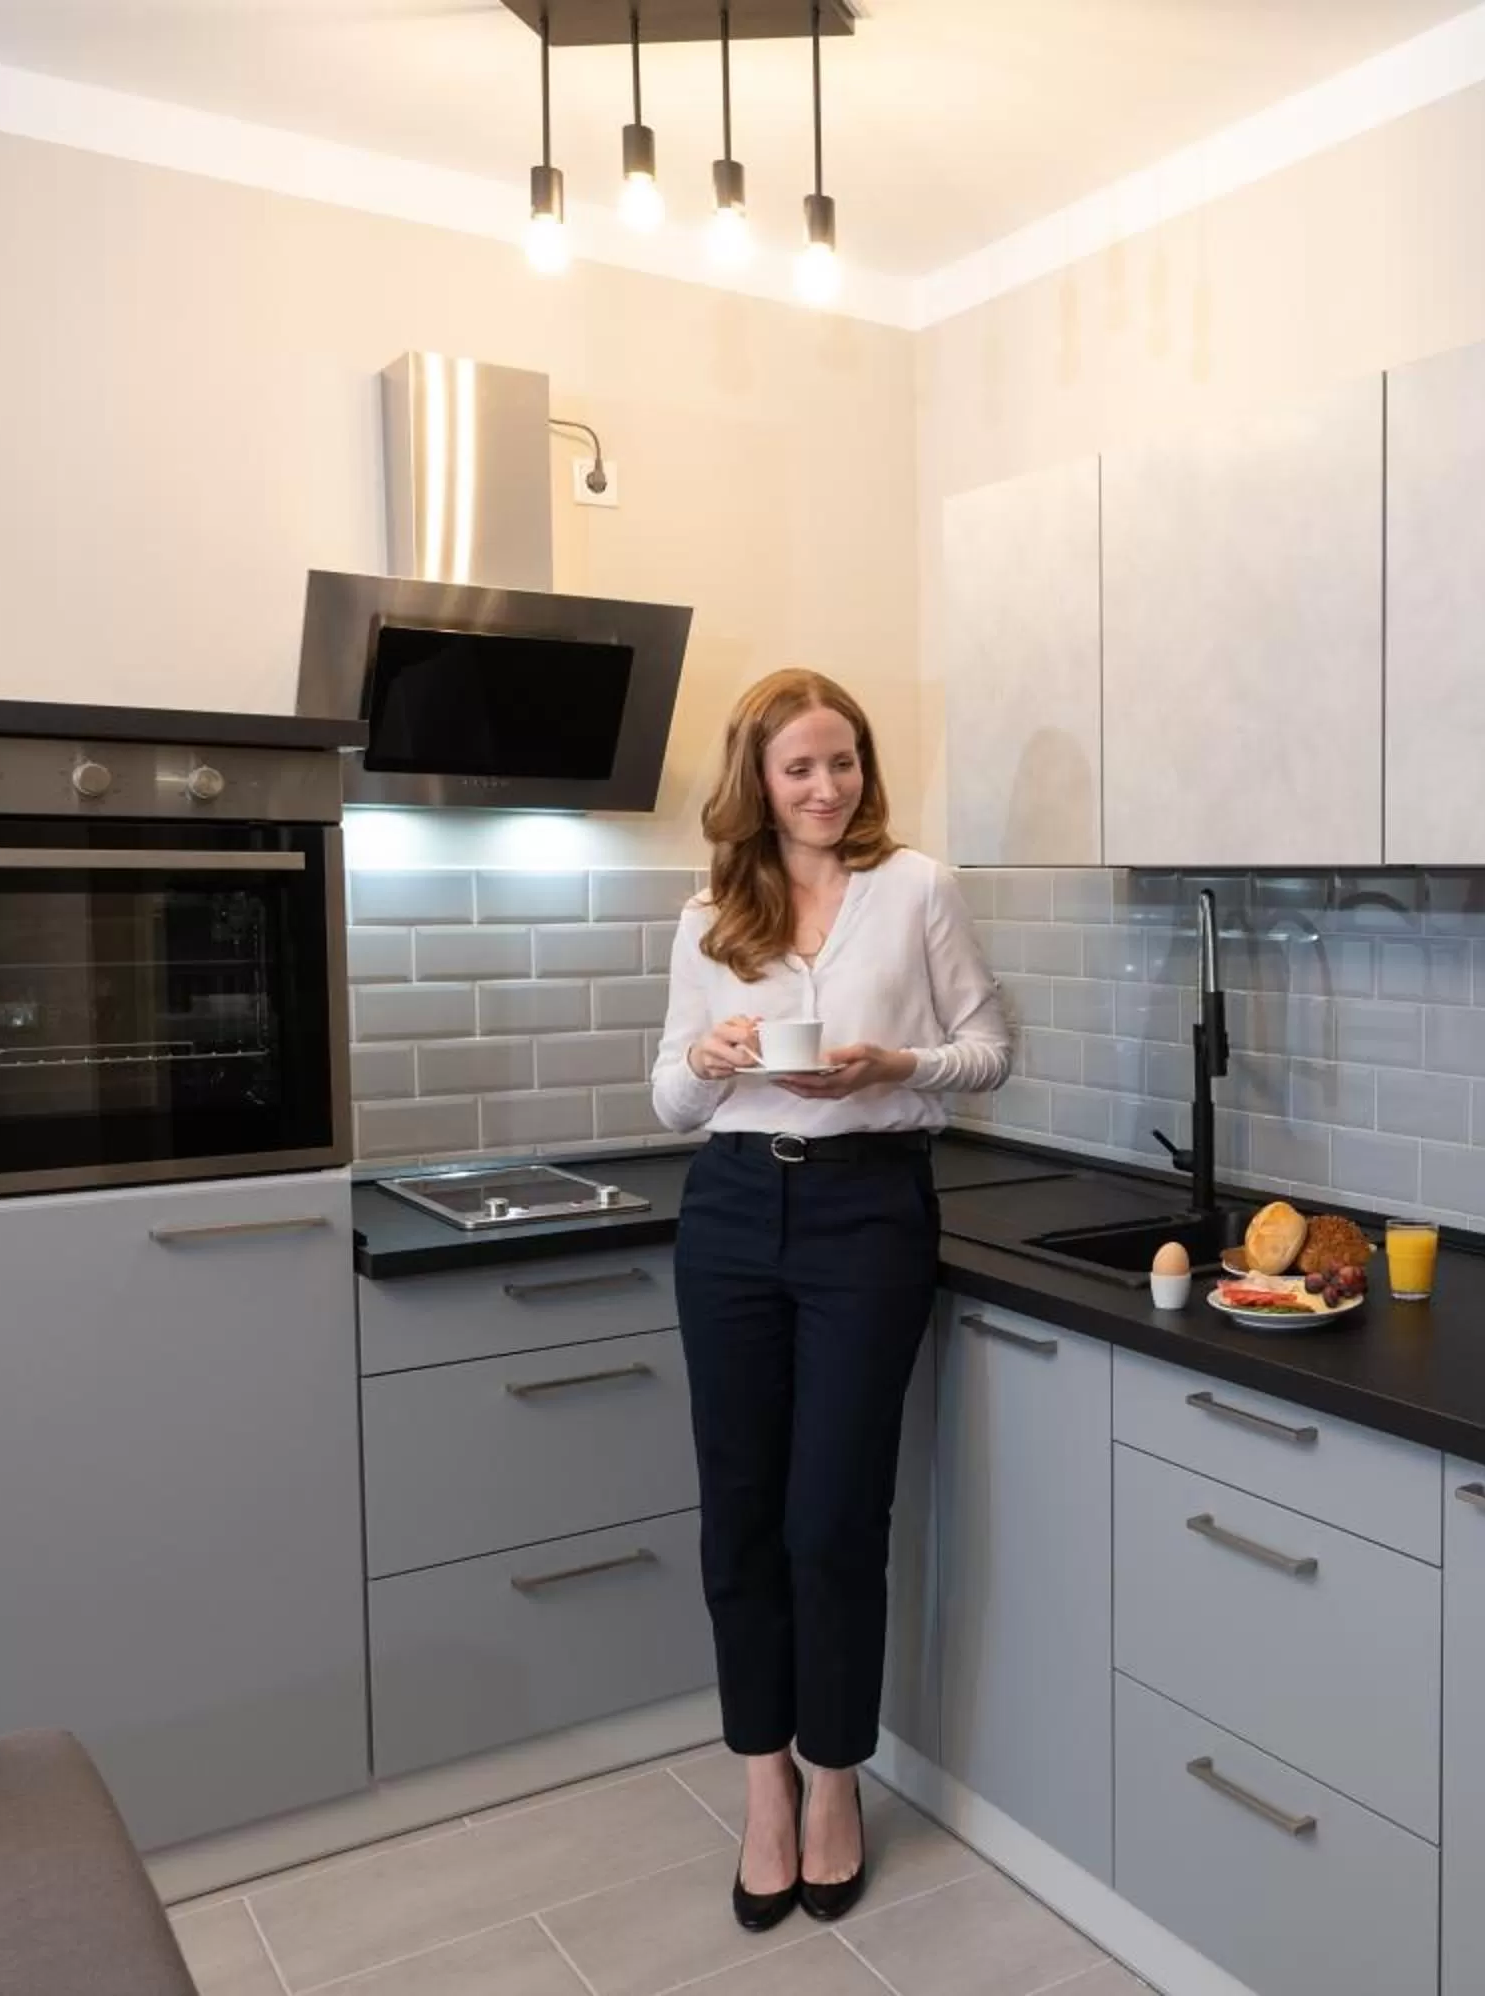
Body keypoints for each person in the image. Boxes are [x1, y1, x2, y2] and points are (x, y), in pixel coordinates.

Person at [651, 668, 1009, 1932]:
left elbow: (989, 1050)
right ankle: (764, 1781)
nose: (824, 787)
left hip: (870, 1210)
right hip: (736, 1211)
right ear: (757, 777)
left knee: (833, 1518)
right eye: (799, 766)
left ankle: (837, 1782)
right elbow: (669, 1099)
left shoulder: (918, 889)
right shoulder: (708, 915)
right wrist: (703, 1056)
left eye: (843, 761)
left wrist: (894, 1062)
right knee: (740, 1512)